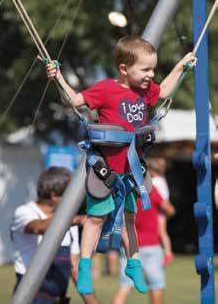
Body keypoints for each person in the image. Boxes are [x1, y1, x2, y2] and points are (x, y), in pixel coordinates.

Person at [46, 35, 196, 296]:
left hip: (130, 170)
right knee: (95, 219)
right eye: (146, 69)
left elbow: (165, 91)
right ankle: (84, 268)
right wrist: (58, 77)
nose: (151, 75)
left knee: (129, 218)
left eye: (153, 69)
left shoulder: (145, 91)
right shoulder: (105, 89)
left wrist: (181, 66)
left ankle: (134, 264)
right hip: (105, 170)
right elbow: (76, 100)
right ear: (124, 69)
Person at [10, 166, 98, 304]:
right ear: (54, 195)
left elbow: (74, 268)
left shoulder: (69, 220)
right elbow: (37, 227)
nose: (74, 199)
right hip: (31, 299)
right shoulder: (24, 212)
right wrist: (76, 219)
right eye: (70, 194)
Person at [111, 186, 175, 304]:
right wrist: (162, 213)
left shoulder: (124, 189)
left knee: (125, 286)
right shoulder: (150, 189)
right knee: (156, 285)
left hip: (129, 245)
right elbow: (170, 209)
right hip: (151, 245)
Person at [147, 157, 174, 266]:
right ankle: (167, 252)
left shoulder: (155, 182)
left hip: (159, 210)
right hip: (161, 209)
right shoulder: (162, 180)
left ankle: (168, 253)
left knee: (161, 232)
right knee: (162, 232)